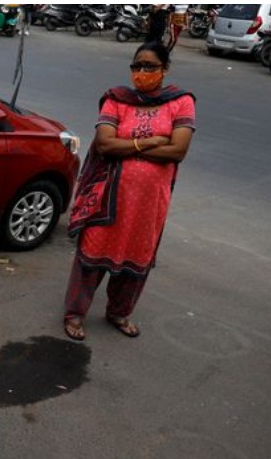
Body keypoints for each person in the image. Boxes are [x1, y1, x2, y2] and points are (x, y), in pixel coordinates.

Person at [62, 42, 195, 341]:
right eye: (137, 66)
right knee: (91, 255)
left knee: (137, 256)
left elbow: (178, 150)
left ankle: (118, 313)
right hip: (106, 197)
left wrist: (129, 148)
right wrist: (151, 142)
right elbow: (105, 144)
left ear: (165, 69)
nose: (142, 72)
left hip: (149, 203)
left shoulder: (181, 102)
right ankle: (74, 313)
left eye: (150, 66)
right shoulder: (116, 99)